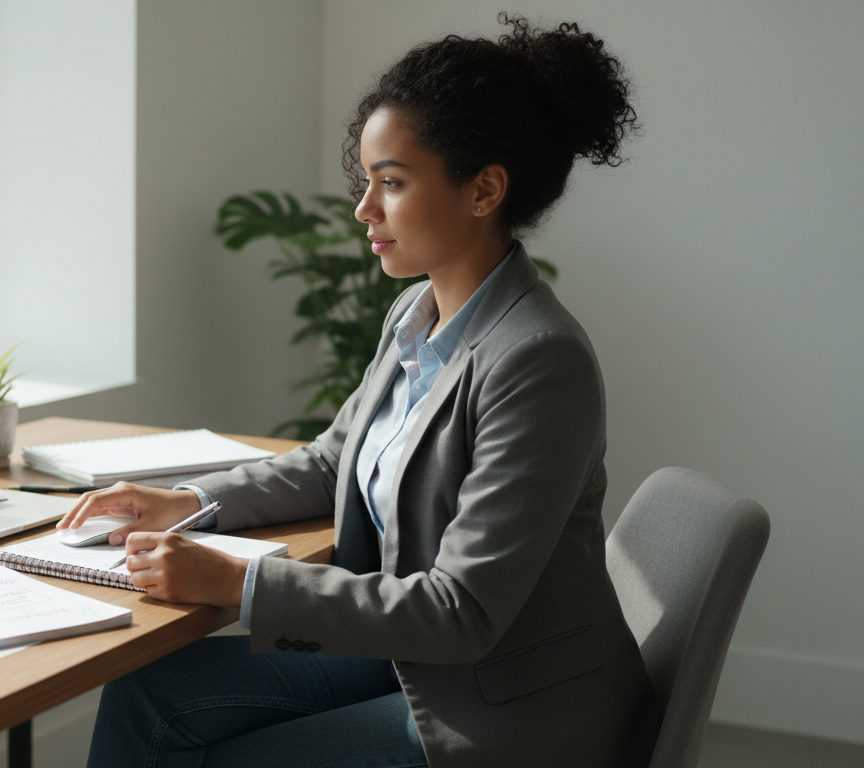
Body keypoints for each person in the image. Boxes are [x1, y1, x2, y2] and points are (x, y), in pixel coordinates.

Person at [58, 14, 659, 768]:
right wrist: (187, 500)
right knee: (145, 693)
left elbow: (463, 611)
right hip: (414, 658)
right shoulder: (418, 311)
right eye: (368, 181)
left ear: (484, 190)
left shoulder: (539, 360)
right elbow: (330, 460)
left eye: (393, 183)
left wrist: (240, 580)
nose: (363, 210)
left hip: (507, 709)